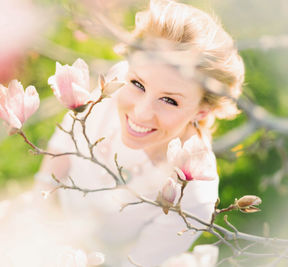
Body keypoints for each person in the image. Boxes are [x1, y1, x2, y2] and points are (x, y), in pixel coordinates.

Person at [36, 0, 245, 266]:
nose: (141, 113)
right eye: (138, 83)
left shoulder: (193, 195)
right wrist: (41, 218)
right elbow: (62, 147)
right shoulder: (117, 81)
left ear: (201, 112)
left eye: (170, 100)